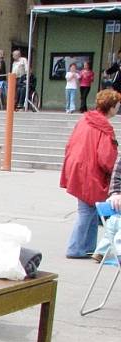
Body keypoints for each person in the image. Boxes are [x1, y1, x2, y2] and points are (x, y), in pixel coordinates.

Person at [60, 89, 121, 259]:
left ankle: (89, 247)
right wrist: (114, 169)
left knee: (90, 209)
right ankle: (76, 248)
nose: (118, 109)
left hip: (77, 166)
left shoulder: (85, 119)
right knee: (87, 210)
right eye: (117, 106)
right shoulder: (104, 126)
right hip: (91, 171)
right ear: (111, 107)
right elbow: (106, 156)